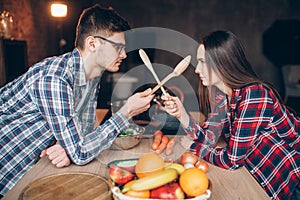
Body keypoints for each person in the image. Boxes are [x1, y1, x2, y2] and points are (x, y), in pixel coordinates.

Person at [0, 4, 154, 197]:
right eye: (118, 47)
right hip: (11, 174)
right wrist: (127, 112)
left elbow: (84, 133)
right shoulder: (54, 79)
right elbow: (80, 152)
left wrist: (68, 147)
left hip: (39, 167)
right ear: (92, 44)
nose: (124, 54)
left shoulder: (92, 77)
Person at [162, 30, 299, 200]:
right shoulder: (222, 95)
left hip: (289, 183)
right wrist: (181, 115)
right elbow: (208, 138)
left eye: (203, 62)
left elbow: (232, 160)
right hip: (257, 178)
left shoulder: (254, 95)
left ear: (222, 63)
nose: (197, 69)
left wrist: (193, 146)